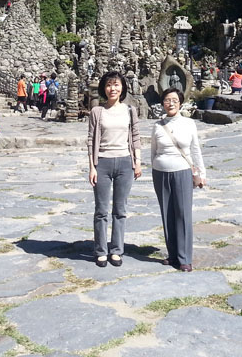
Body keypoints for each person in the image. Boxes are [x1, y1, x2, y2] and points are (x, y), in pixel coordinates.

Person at [87, 71, 142, 267]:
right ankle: (101, 250)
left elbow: (135, 136)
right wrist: (92, 167)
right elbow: (91, 140)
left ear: (122, 88)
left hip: (125, 163)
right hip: (102, 162)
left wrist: (138, 161)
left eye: (116, 84)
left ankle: (117, 250)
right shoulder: (97, 111)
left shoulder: (129, 110)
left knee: (120, 210)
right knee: (101, 210)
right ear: (104, 88)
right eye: (109, 85)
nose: (113, 88)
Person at [151, 87, 206, 272]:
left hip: (182, 171)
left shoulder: (189, 124)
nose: (171, 103)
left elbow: (196, 150)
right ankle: (172, 254)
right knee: (167, 214)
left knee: (183, 214)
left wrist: (201, 174)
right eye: (167, 100)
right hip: (160, 172)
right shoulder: (158, 126)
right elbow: (153, 151)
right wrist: (156, 166)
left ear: (180, 103)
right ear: (163, 104)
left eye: (174, 100)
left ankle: (184, 257)